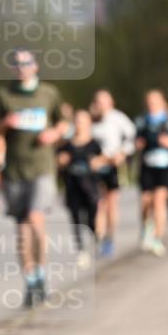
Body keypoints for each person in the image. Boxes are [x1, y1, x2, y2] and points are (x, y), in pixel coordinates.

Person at [0, 49, 66, 307]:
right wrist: (5, 123)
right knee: (22, 226)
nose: (22, 67)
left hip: (42, 167)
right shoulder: (4, 95)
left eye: (27, 63)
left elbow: (63, 122)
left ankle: (42, 272)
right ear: (12, 68)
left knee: (36, 217)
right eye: (17, 64)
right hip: (14, 169)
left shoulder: (49, 93)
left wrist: (54, 133)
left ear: (36, 66)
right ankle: (31, 279)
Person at [89, 89, 135, 259]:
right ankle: (99, 238)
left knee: (111, 203)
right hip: (95, 166)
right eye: (98, 101)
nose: (100, 105)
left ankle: (110, 238)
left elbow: (131, 137)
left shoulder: (117, 117)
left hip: (112, 164)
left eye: (104, 101)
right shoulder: (91, 118)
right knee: (98, 204)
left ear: (111, 102)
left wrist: (122, 153)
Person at [57, 110, 106, 268]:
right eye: (77, 121)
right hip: (72, 187)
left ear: (89, 123)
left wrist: (98, 162)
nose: (80, 125)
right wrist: (61, 161)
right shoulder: (66, 145)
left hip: (90, 188)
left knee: (91, 218)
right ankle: (81, 250)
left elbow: (104, 162)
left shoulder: (94, 144)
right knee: (76, 220)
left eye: (83, 121)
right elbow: (58, 162)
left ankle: (96, 240)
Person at [135, 90, 168, 256]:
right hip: (147, 165)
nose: (151, 104)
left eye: (155, 101)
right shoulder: (142, 121)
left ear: (162, 102)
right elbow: (136, 141)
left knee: (160, 201)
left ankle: (158, 238)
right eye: (149, 101)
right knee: (146, 201)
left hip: (165, 165)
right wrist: (138, 144)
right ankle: (147, 228)